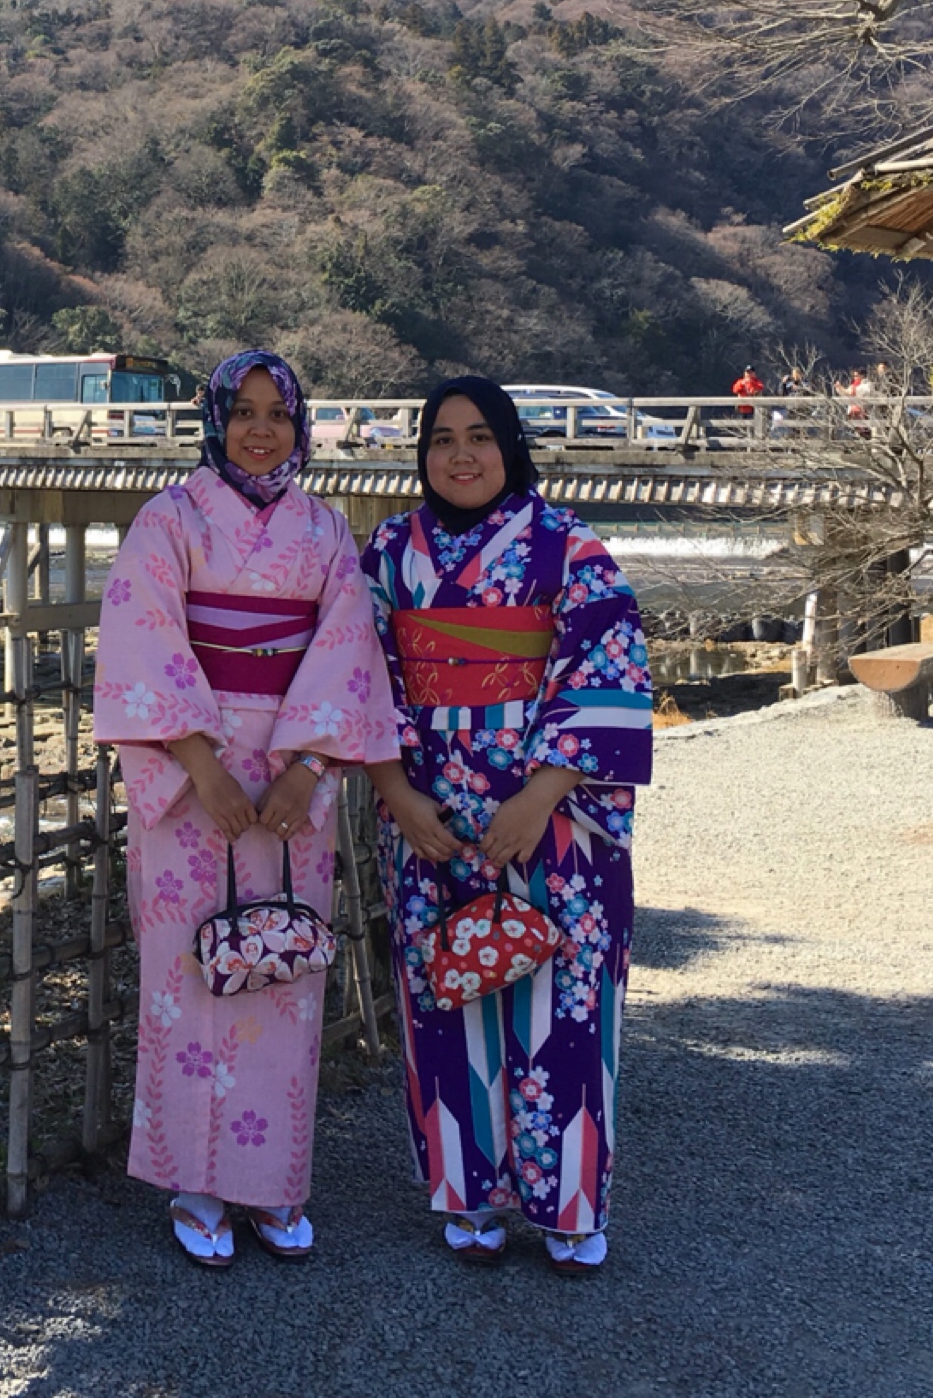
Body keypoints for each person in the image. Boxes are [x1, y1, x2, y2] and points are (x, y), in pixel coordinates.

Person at [93, 350, 398, 1267]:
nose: (260, 429)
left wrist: (307, 765)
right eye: (244, 411)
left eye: (278, 413)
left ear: (300, 426)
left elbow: (349, 646)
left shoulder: (325, 530)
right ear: (215, 419)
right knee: (188, 971)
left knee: (284, 965)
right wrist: (201, 763)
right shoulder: (168, 519)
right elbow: (141, 636)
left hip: (295, 773)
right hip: (188, 772)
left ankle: (273, 1181)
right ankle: (193, 1180)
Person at [359, 375, 652, 1275]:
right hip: (431, 823)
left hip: (554, 821)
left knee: (567, 1005)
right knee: (445, 995)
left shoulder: (570, 546)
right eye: (442, 438)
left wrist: (540, 796)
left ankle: (569, 1203)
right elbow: (357, 678)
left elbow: (609, 667)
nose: (461, 454)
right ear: (421, 452)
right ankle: (469, 1193)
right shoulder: (388, 553)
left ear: (512, 444)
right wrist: (397, 793)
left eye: (480, 436)